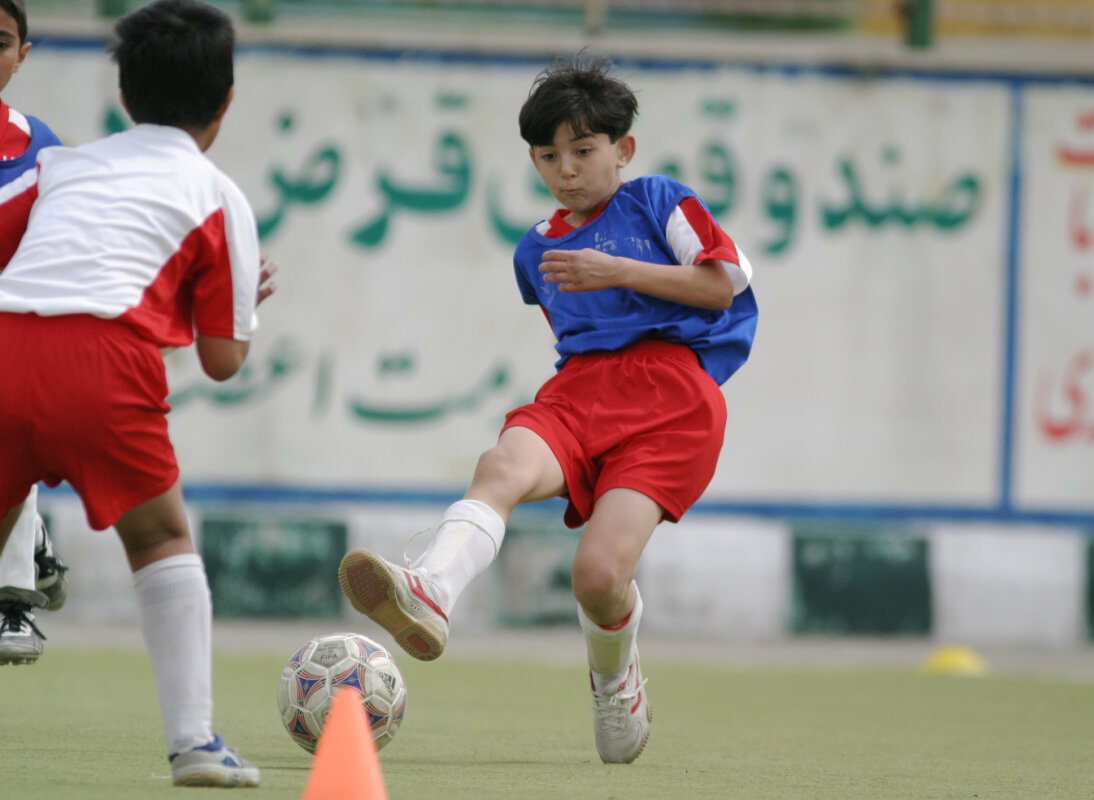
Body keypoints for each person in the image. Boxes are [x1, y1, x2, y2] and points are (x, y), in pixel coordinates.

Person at [339, 55, 757, 765]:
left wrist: (616, 270)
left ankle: (615, 680)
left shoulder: (661, 200)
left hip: (673, 400)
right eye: (548, 156)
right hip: (582, 391)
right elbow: (578, 337)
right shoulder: (533, 249)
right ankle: (432, 590)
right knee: (499, 465)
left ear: (623, 149)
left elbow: (722, 286)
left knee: (597, 578)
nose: (567, 170)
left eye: (583, 151)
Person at [0, 0, 275, 787]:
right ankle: (194, 743)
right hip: (105, 363)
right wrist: (235, 302)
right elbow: (222, 361)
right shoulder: (218, 194)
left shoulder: (62, 165)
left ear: (122, 94)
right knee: (158, 541)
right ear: (225, 102)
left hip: (6, 345)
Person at [0, 0, 72, 667]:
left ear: (22, 56)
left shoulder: (41, 152)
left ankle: (12, 601)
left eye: (0, 42)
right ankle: (35, 542)